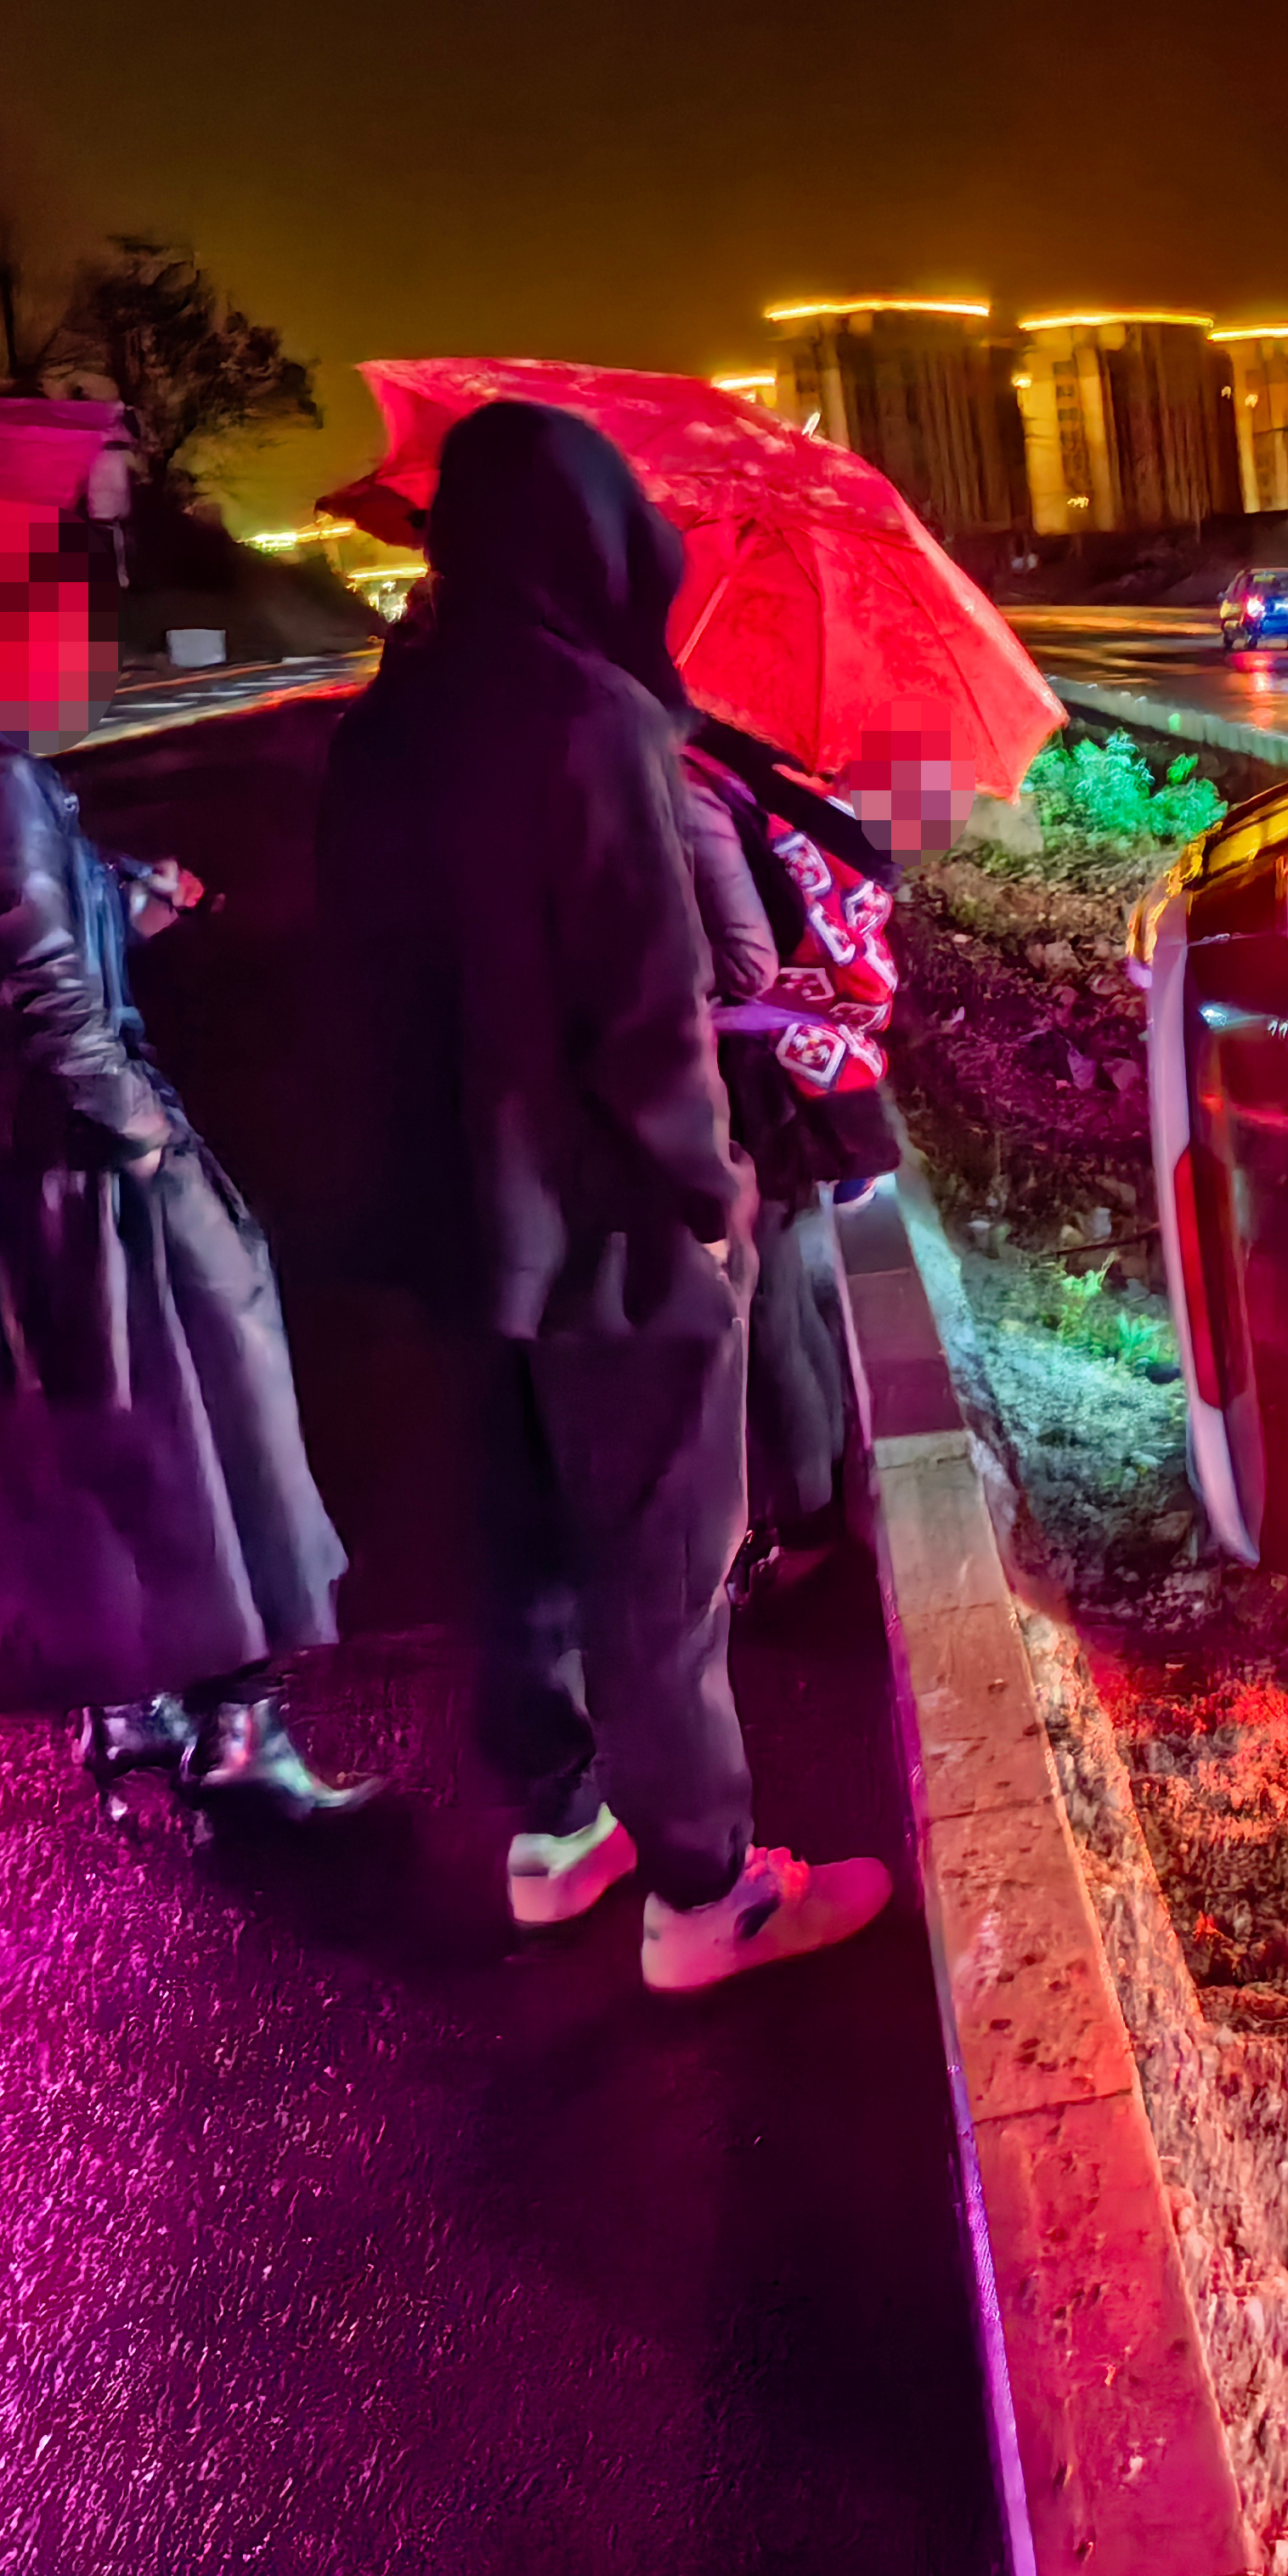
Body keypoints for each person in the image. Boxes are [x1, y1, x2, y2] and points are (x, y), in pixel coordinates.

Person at [313, 399, 886, 1990]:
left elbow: (360, 986)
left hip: (453, 1221)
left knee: (517, 1536)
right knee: (660, 1558)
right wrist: (713, 1203)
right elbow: (649, 1015)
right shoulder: (599, 722)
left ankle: (555, 1836)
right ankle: (707, 1897)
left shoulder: (383, 725)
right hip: (614, 1227)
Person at [0, 424, 374, 1824]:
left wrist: (115, 885)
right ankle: (243, 1737)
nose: (82, 627)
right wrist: (151, 1142)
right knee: (205, 1430)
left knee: (79, 1452)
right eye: (60, 598)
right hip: (87, 1177)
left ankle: (127, 1715)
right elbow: (46, 983)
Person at [674, 711, 920, 1591]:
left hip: (753, 1076)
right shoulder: (775, 778)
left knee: (767, 1306)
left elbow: (743, 959)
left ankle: (808, 1525)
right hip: (804, 1071)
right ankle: (818, 1494)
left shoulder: (697, 784)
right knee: (784, 1298)